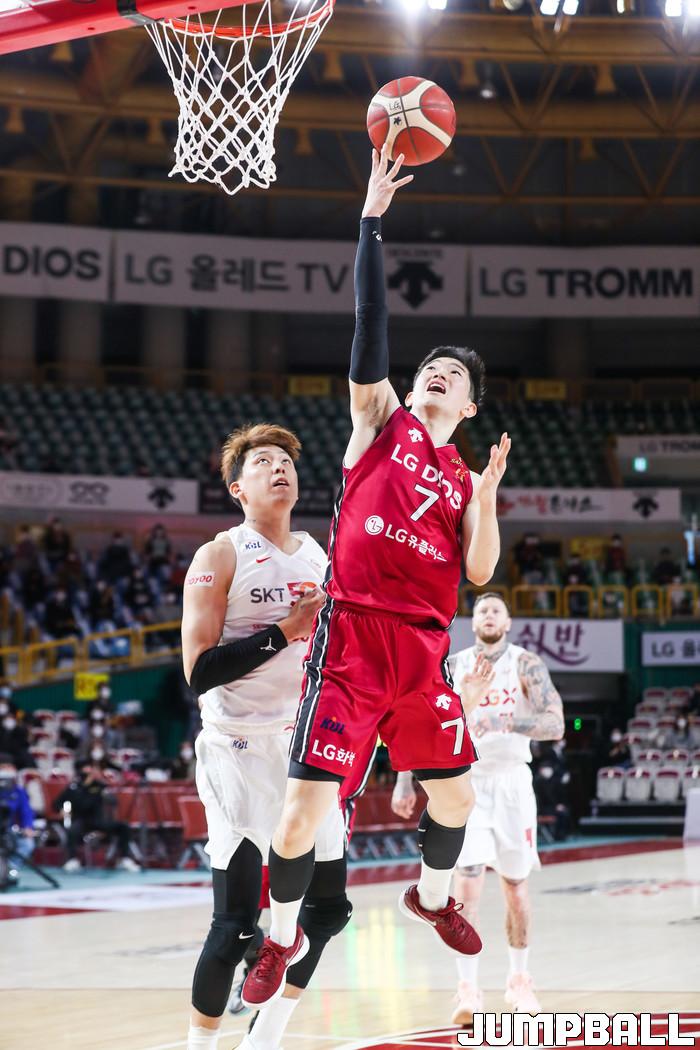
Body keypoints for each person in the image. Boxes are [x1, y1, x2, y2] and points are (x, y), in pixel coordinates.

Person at [242, 145, 510, 1011]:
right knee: (300, 816)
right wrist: (370, 220)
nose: (440, 373)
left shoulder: (464, 479)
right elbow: (371, 326)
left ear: (469, 406)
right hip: (354, 639)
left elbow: (480, 572)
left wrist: (489, 498)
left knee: (457, 802)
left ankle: (430, 898)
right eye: (434, 367)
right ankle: (277, 940)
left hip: (423, 652)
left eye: (455, 376)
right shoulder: (380, 421)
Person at [181, 423, 351, 1050]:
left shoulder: (318, 556)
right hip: (238, 746)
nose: (279, 468)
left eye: (286, 461)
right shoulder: (220, 555)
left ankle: (265, 1037)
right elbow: (198, 671)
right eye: (263, 463)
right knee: (233, 925)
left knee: (329, 910)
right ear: (238, 489)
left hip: (305, 743)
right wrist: (284, 630)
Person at [392, 592, 564, 1023]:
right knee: (466, 887)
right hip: (467, 782)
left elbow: (556, 723)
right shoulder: (453, 665)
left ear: (507, 623)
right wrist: (403, 780)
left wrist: (503, 721)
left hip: (513, 783)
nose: (488, 615)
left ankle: (519, 981)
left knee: (516, 888)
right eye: (482, 609)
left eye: (496, 610)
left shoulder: (526, 664)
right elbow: (419, 722)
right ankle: (468, 989)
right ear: (473, 623)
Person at [55, 760, 139, 872]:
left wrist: (106, 790)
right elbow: (57, 803)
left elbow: (114, 801)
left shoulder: (99, 786)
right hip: (80, 820)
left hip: (97, 820)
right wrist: (62, 809)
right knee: (72, 830)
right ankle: (72, 859)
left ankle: (124, 858)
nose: (91, 771)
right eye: (88, 768)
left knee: (123, 827)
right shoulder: (73, 787)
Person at [0, 760, 36, 886]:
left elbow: (26, 811)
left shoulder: (19, 791)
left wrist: (28, 827)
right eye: (3, 767)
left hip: (8, 830)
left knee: (27, 844)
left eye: (9, 767)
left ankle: (10, 869)